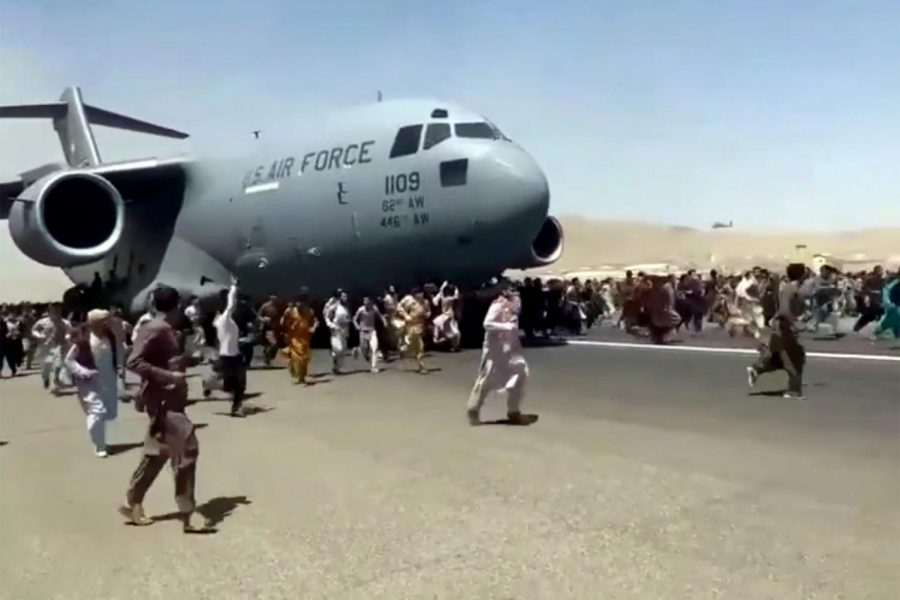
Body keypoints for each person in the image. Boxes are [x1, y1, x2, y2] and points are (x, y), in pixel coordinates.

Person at [121, 285, 216, 534]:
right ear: (177, 305)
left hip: (167, 400)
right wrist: (168, 376)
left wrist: (189, 362)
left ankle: (132, 502)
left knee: (157, 453)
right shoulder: (156, 328)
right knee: (188, 448)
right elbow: (134, 361)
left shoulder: (165, 329)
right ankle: (188, 514)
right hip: (164, 402)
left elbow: (159, 359)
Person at [467, 286, 530, 425]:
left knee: (521, 373)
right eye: (516, 296)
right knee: (487, 379)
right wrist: (506, 327)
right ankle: (473, 409)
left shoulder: (513, 309)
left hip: (511, 350)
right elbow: (487, 324)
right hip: (495, 350)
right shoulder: (498, 305)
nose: (518, 301)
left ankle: (513, 411)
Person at [63, 310, 120, 457]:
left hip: (108, 380)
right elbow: (69, 360)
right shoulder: (84, 340)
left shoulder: (110, 337)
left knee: (107, 413)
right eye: (103, 320)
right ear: (93, 323)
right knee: (97, 412)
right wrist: (82, 371)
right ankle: (100, 446)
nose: (106, 323)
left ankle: (100, 440)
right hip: (89, 382)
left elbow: (117, 354)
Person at [747, 263, 807, 399]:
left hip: (785, 327)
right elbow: (785, 311)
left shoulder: (795, 288)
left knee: (788, 358)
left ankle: (757, 369)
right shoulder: (788, 289)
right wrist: (795, 324)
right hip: (784, 328)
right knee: (792, 359)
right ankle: (793, 390)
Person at [213, 277, 246, 417]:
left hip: (235, 355)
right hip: (227, 357)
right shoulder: (224, 319)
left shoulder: (226, 322)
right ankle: (210, 384)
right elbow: (231, 304)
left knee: (240, 384)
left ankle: (236, 408)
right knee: (229, 386)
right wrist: (234, 287)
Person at [31, 303, 71, 393]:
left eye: (58, 310)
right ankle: (46, 377)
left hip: (59, 346)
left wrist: (67, 336)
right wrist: (39, 335)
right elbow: (34, 330)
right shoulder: (43, 321)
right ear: (49, 311)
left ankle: (56, 381)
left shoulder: (65, 322)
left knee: (58, 364)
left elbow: (69, 331)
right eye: (54, 310)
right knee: (47, 366)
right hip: (47, 347)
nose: (57, 312)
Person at [280, 290, 317, 384]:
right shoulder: (291, 311)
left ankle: (302, 376)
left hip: (305, 338)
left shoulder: (309, 311)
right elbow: (283, 323)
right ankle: (298, 374)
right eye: (298, 302)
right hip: (294, 338)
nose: (300, 304)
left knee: (305, 359)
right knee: (299, 357)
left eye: (302, 302)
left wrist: (313, 328)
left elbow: (314, 322)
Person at [397, 288, 430, 372]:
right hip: (411, 325)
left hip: (420, 326)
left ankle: (405, 347)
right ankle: (421, 366)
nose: (420, 295)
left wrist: (427, 314)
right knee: (419, 346)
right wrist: (405, 315)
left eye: (421, 293)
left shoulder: (425, 302)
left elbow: (428, 311)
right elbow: (399, 307)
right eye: (418, 293)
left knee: (416, 346)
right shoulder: (409, 301)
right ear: (415, 295)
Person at [353, 296, 385, 373]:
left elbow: (380, 316)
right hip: (363, 332)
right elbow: (354, 319)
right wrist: (357, 326)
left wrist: (384, 322)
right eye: (364, 301)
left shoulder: (374, 309)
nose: (365, 303)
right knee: (364, 350)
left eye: (367, 301)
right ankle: (357, 349)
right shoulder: (361, 309)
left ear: (370, 301)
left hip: (372, 331)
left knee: (374, 348)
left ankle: (373, 367)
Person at [324, 290, 352, 375]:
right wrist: (331, 325)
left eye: (346, 296)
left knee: (343, 350)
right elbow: (327, 317)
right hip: (336, 330)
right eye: (343, 296)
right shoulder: (334, 307)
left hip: (344, 331)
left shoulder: (347, 308)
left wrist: (348, 322)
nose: (345, 298)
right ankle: (334, 355)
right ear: (340, 298)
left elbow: (348, 318)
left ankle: (336, 368)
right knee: (338, 349)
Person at [432, 281, 461, 351]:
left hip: (449, 317)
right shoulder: (447, 299)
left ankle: (452, 345)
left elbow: (441, 291)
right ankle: (438, 339)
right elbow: (456, 296)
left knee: (453, 332)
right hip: (446, 316)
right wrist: (456, 288)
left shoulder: (443, 298)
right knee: (454, 333)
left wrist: (443, 285)